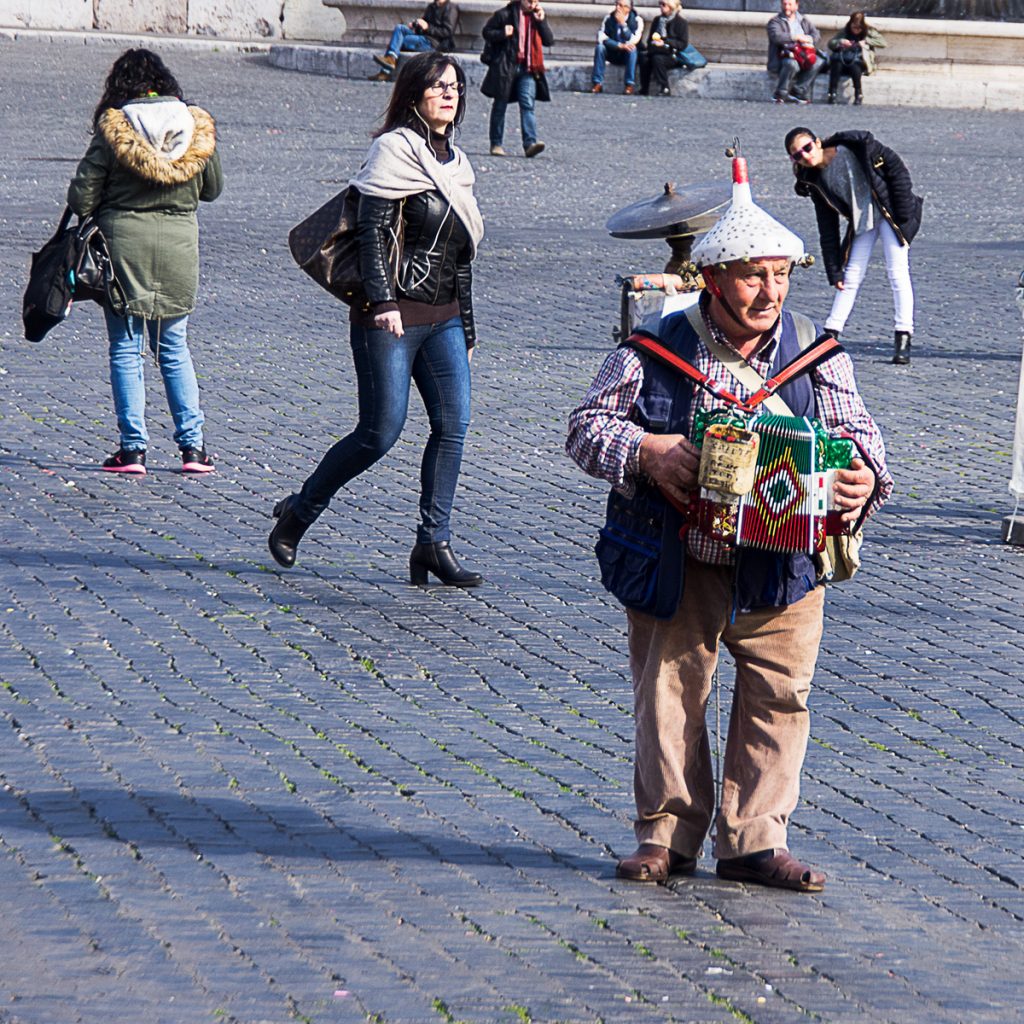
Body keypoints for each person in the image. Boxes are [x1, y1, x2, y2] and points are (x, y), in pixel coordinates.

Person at [566, 152, 892, 892]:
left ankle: (754, 840)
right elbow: (585, 429)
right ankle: (668, 837)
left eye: (780, 275)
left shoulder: (816, 352)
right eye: (753, 276)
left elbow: (866, 443)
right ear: (713, 280)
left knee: (781, 696)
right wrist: (648, 451)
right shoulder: (655, 347)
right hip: (682, 552)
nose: (769, 291)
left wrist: (858, 481)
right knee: (670, 693)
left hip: (785, 561)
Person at [270, 53, 485, 586]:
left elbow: (461, 255)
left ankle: (433, 542)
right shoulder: (392, 151)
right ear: (413, 93)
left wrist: (470, 328)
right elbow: (370, 236)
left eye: (454, 87)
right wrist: (385, 302)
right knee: (379, 432)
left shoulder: (457, 164)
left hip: (445, 319)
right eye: (437, 86)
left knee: (453, 427)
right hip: (388, 316)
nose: (447, 94)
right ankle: (300, 512)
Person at [67, 48, 222, 475]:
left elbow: (81, 198)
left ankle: (132, 450)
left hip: (122, 248)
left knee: (126, 347)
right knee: (173, 347)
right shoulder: (196, 127)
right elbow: (212, 189)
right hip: (178, 248)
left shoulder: (113, 129)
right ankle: (194, 449)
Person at [786, 126, 922, 364]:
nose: (805, 156)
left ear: (817, 142)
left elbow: (896, 168)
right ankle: (830, 335)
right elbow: (826, 228)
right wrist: (833, 269)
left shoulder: (856, 146)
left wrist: (903, 212)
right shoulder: (815, 181)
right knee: (848, 278)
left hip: (890, 213)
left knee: (897, 273)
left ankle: (903, 337)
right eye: (797, 155)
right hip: (863, 222)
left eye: (807, 148)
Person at [481, 0, 553, 157]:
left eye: (535, 1)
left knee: (527, 104)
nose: (532, 4)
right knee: (500, 105)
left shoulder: (536, 16)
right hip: (506, 67)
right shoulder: (504, 14)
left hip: (528, 68)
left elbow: (548, 41)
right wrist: (502, 33)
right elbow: (486, 32)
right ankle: (496, 143)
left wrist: (541, 21)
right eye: (529, 1)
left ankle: (530, 144)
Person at [371, 0, 459, 82]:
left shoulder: (451, 8)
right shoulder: (432, 6)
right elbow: (423, 26)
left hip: (433, 43)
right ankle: (390, 59)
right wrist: (416, 25)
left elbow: (447, 32)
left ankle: (385, 72)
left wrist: (428, 27)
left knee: (400, 40)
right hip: (424, 38)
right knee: (400, 28)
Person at [766, 0, 823, 105]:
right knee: (792, 64)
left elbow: (816, 34)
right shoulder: (775, 21)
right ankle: (780, 93)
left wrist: (809, 39)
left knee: (818, 61)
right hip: (783, 56)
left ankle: (798, 91)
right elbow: (776, 37)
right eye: (784, 4)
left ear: (796, 5)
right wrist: (795, 37)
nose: (786, 7)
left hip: (802, 55)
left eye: (789, 4)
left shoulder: (804, 20)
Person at [826, 11, 886, 105]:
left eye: (859, 28)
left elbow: (883, 43)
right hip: (843, 59)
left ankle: (858, 94)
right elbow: (830, 43)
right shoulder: (845, 31)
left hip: (860, 60)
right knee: (836, 64)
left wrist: (866, 41)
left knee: (855, 66)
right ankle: (832, 93)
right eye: (854, 27)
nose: (856, 30)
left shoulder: (869, 31)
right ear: (850, 24)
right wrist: (841, 41)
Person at [591, 0, 644, 96]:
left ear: (628, 8)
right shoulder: (608, 18)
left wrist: (623, 25)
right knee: (600, 48)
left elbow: (633, 40)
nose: (618, 8)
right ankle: (597, 83)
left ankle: (629, 84)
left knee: (633, 49)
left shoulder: (637, 20)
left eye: (621, 6)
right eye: (617, 5)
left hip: (626, 54)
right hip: (613, 51)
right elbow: (601, 37)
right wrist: (618, 45)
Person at [639, 0, 689, 97]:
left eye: (663, 4)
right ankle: (644, 87)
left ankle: (664, 87)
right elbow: (649, 39)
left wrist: (665, 42)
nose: (661, 7)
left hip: (671, 53)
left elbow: (682, 43)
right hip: (656, 50)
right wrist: (653, 44)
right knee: (644, 58)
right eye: (660, 4)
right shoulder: (657, 20)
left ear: (671, 6)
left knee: (658, 59)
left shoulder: (681, 22)